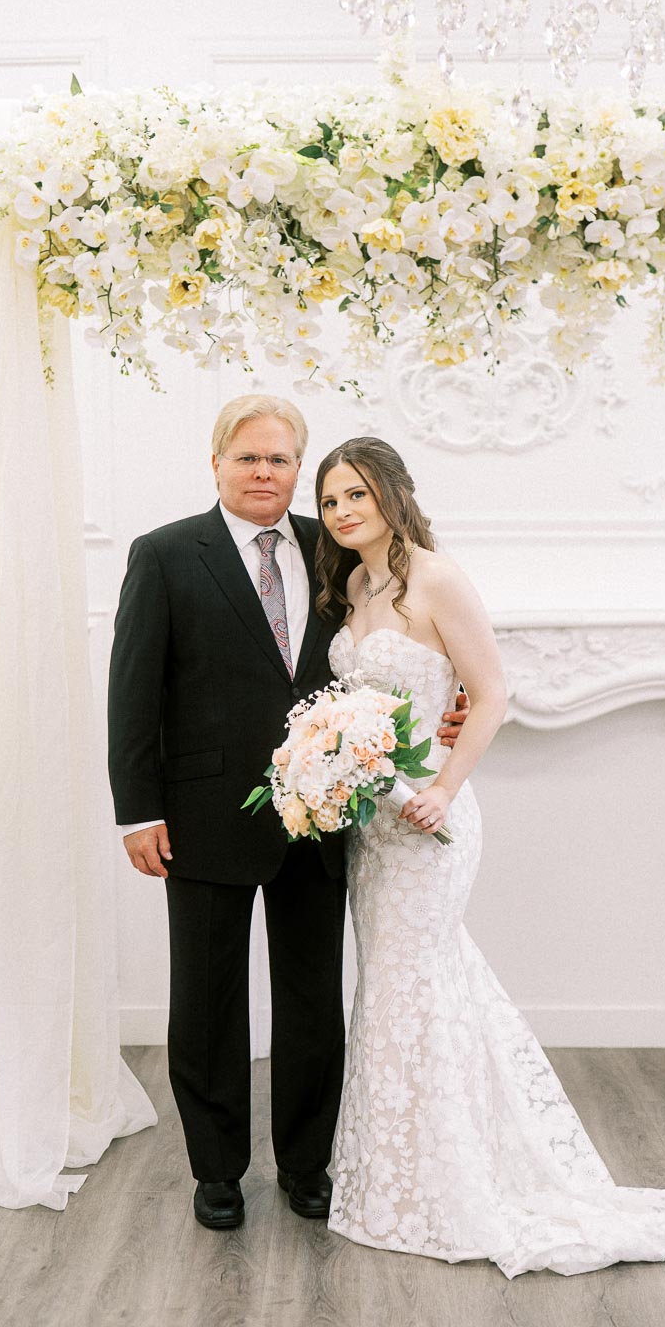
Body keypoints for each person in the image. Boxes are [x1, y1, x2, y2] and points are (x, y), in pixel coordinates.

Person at [316, 435, 665, 1278]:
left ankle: (456, 1181)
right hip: (374, 828)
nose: (342, 511)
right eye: (332, 498)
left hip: (432, 821)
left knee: (421, 982)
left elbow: (489, 692)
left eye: (356, 495)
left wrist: (442, 789)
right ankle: (399, 1174)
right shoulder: (352, 583)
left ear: (393, 494)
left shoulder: (436, 576)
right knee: (396, 989)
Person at [106, 397, 466, 1232]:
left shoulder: (333, 545)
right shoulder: (162, 555)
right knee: (205, 1002)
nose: (264, 473)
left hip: (327, 811)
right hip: (200, 816)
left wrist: (447, 709)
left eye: (279, 460)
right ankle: (218, 1171)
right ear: (217, 463)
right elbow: (134, 690)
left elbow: (406, 639)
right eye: (248, 458)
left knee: (311, 999)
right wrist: (137, 812)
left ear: (297, 467)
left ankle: (309, 1167)